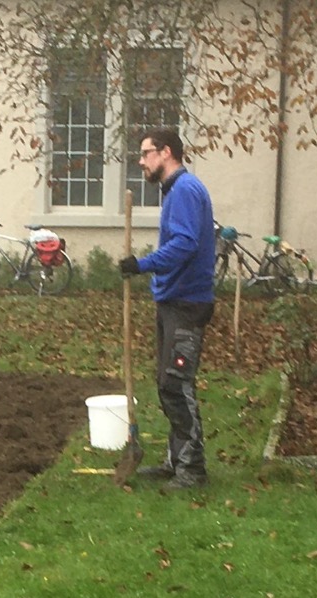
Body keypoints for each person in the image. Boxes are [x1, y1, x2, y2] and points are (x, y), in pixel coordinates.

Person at [119, 127, 216, 490]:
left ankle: (192, 469)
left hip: (187, 304)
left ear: (166, 153)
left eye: (145, 154)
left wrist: (143, 265)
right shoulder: (176, 192)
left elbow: (186, 245)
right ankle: (177, 460)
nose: (142, 162)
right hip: (172, 300)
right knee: (166, 384)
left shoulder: (186, 191)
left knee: (176, 385)